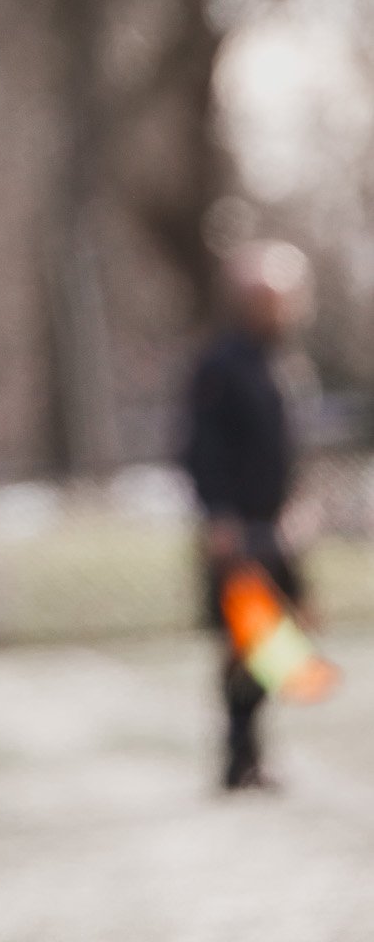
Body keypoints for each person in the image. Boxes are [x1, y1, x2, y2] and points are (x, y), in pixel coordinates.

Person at [181, 240, 311, 792]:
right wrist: (220, 516)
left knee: (277, 644)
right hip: (239, 532)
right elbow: (199, 448)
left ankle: (250, 753)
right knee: (246, 642)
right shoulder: (220, 364)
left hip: (279, 530)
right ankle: (239, 758)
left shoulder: (282, 363)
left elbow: (289, 450)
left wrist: (301, 507)